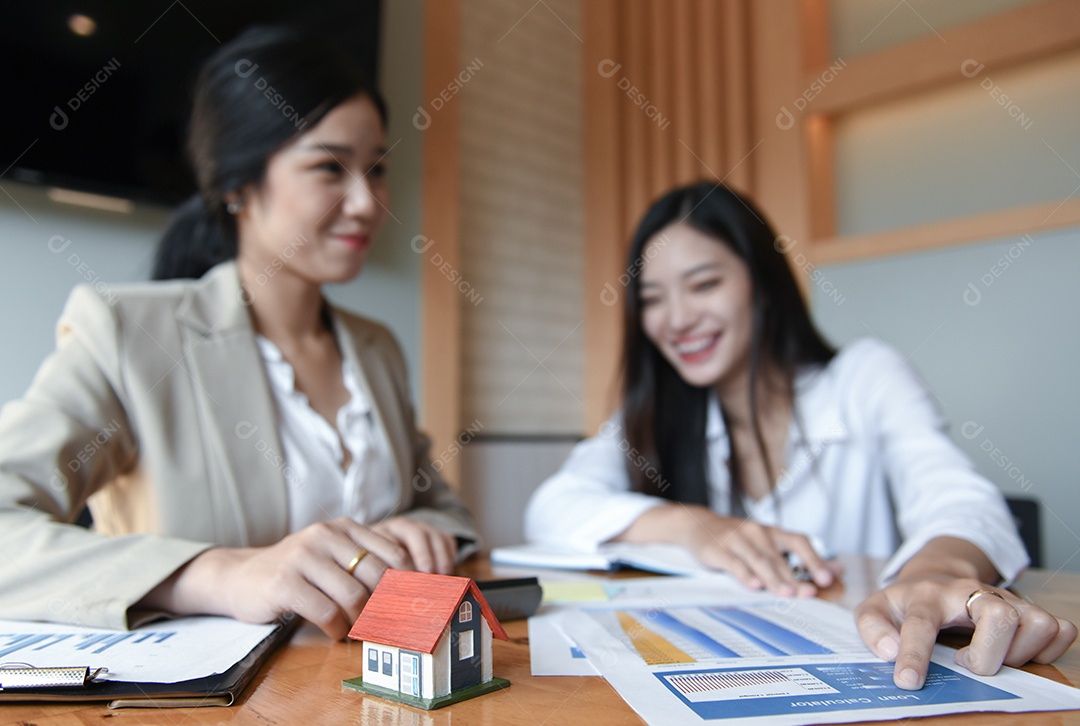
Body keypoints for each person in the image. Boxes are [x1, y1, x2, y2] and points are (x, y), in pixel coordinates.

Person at [0, 27, 476, 640]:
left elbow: (442, 505)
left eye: (377, 170)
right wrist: (223, 573)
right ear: (238, 186)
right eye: (330, 167)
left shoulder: (375, 348)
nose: (367, 203)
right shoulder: (125, 333)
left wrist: (423, 532)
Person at [524, 181, 1076, 689]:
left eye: (704, 284)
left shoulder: (863, 376)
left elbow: (957, 497)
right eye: (651, 299)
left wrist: (936, 574)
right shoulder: (652, 413)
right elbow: (552, 506)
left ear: (762, 284)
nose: (676, 319)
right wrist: (694, 529)